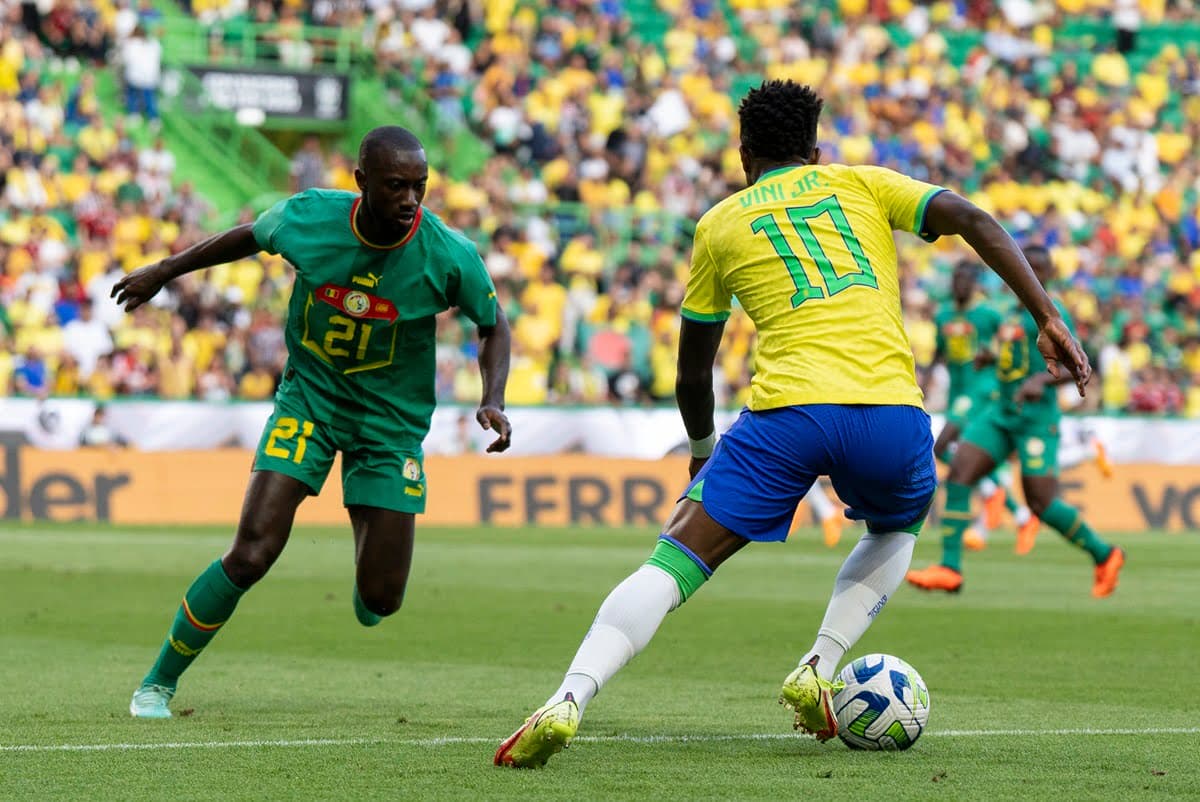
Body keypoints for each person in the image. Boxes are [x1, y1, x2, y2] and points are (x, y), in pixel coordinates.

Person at [494, 80, 1090, 768]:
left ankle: (568, 698)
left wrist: (700, 453)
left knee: (673, 561)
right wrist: (1046, 315)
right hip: (890, 411)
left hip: (786, 414)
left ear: (744, 153)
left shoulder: (719, 225)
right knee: (897, 526)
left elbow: (693, 371)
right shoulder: (862, 184)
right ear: (815, 148)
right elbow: (972, 218)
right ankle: (819, 663)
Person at [116, 126, 513, 719]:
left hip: (390, 424)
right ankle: (156, 684)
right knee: (251, 553)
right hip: (311, 401)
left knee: (383, 597)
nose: (410, 199)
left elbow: (494, 324)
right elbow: (245, 238)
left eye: (420, 186)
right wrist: (165, 270)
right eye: (396, 185)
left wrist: (494, 396)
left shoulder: (447, 254)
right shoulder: (309, 217)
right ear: (362, 182)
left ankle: (367, 554)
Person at [906, 245, 1123, 595]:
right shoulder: (1008, 312)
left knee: (1041, 502)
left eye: (1039, 270)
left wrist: (1041, 381)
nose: (1031, 276)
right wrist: (989, 356)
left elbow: (1080, 366)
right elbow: (1012, 353)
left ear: (1049, 275)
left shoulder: (1054, 314)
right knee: (960, 471)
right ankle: (950, 568)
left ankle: (1106, 553)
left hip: (1036, 419)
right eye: (1026, 268)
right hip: (1002, 412)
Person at [927, 260, 1033, 551]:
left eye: (965, 281)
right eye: (955, 280)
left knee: (940, 446)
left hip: (982, 389)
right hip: (958, 392)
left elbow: (1011, 340)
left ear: (974, 285)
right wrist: (924, 380)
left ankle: (991, 492)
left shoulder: (988, 314)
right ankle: (1019, 513)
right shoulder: (944, 314)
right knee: (963, 454)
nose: (959, 285)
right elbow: (940, 351)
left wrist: (996, 360)